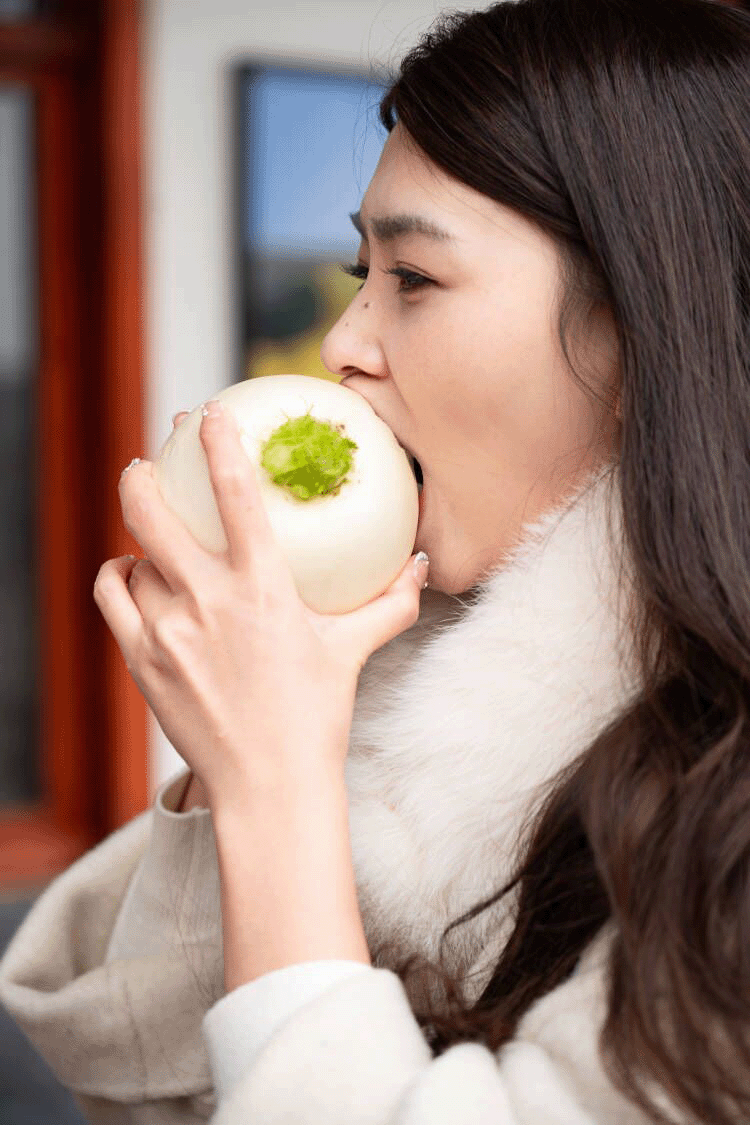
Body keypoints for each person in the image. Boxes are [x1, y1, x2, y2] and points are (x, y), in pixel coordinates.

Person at [2, 0, 749, 1120]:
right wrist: (240, 749)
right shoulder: (401, 675)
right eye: (363, 271)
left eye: (415, 278)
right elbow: (137, 1070)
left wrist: (274, 784)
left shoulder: (719, 816)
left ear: (644, 325)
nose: (343, 344)